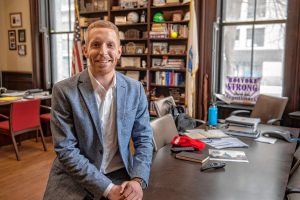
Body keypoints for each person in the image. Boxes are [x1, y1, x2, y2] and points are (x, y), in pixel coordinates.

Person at [44, 20, 153, 200]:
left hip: (120, 172)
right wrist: (107, 188)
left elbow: (144, 139)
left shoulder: (136, 89)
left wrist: (137, 179)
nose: (103, 52)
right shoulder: (63, 91)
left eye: (110, 45)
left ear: (119, 51)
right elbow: (66, 150)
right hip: (73, 177)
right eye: (96, 45)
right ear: (85, 50)